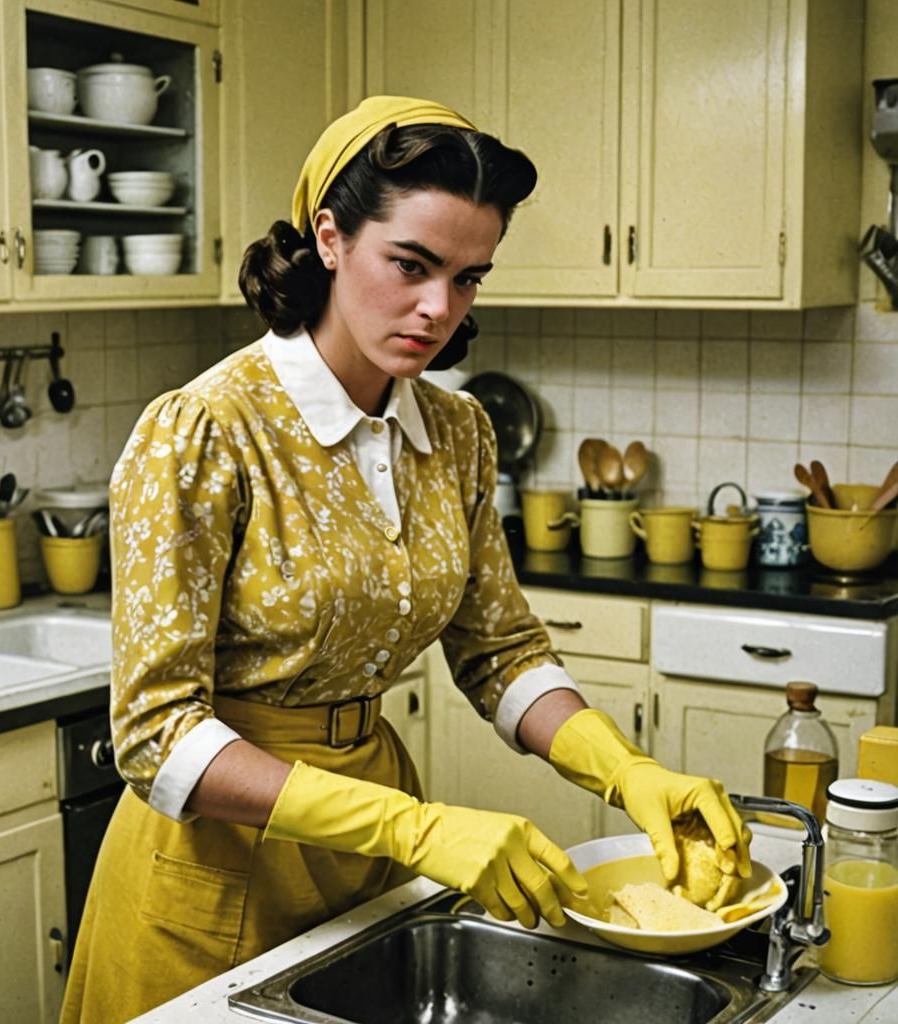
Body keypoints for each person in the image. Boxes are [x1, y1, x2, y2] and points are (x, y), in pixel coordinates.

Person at [60, 96, 751, 1022]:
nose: (438, 309)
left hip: (366, 861)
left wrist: (625, 769)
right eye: (412, 265)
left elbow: (499, 652)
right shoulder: (207, 429)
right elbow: (156, 738)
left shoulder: (457, 432)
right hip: (212, 873)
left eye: (469, 279)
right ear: (331, 238)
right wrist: (412, 826)